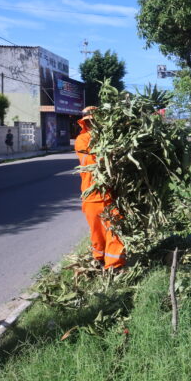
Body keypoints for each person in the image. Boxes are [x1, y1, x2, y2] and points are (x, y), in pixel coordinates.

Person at [74, 106, 125, 270]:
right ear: (85, 123)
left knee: (114, 230)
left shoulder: (109, 138)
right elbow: (90, 162)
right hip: (92, 197)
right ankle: (99, 260)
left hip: (111, 195)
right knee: (98, 234)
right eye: (89, 122)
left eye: (95, 121)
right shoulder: (82, 140)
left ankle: (114, 266)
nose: (93, 125)